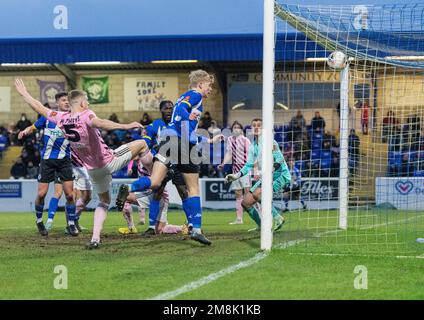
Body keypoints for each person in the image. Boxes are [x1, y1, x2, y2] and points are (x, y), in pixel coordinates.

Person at [14, 79, 149, 249]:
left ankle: (95, 238)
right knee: (143, 144)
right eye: (87, 100)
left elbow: (39, 107)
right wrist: (126, 125)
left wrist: (24, 93)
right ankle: (156, 179)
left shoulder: (61, 118)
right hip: (109, 161)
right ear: (82, 102)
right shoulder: (86, 114)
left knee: (104, 202)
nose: (89, 103)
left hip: (93, 170)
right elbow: (100, 123)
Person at [116, 70, 223, 245]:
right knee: (193, 188)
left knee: (155, 181)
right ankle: (196, 229)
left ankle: (129, 188)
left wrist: (209, 139)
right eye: (209, 85)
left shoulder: (183, 97)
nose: (210, 89)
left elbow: (185, 122)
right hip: (182, 144)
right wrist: (185, 122)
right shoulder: (195, 95)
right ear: (201, 84)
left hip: (168, 141)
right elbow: (182, 113)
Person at [17, 91, 77, 236]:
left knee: (70, 195)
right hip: (47, 161)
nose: (67, 102)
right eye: (63, 100)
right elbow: (33, 127)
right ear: (58, 103)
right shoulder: (48, 117)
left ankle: (71, 224)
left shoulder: (73, 118)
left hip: (65, 161)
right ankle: (39, 221)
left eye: (68, 100)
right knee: (42, 193)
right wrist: (25, 131)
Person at [225, 118, 291, 232]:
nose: (256, 127)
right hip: (267, 176)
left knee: (257, 194)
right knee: (245, 203)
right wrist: (236, 175)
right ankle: (262, 226)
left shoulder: (270, 142)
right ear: (251, 129)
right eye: (253, 125)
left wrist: (270, 170)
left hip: (281, 175)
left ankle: (277, 217)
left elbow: (280, 159)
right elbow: (248, 165)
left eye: (259, 125)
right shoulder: (253, 146)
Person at [218, 121, 251, 224]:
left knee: (248, 194)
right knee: (238, 194)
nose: (236, 129)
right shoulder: (230, 140)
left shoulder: (246, 140)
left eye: (238, 127)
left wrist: (254, 170)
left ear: (241, 129)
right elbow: (229, 154)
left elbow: (251, 155)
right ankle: (239, 218)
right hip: (235, 171)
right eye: (234, 127)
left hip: (245, 171)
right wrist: (223, 163)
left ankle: (259, 215)